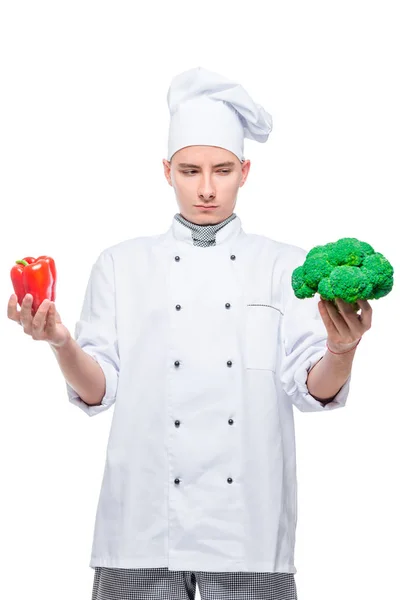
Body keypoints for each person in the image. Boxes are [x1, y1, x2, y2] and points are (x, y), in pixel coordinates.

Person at [8, 66, 371, 600]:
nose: (205, 188)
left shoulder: (284, 267)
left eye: (222, 170)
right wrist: (62, 341)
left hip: (248, 528)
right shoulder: (120, 265)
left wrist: (342, 348)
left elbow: (312, 387)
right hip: (142, 527)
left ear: (245, 171)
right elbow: (97, 389)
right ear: (166, 170)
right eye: (190, 170)